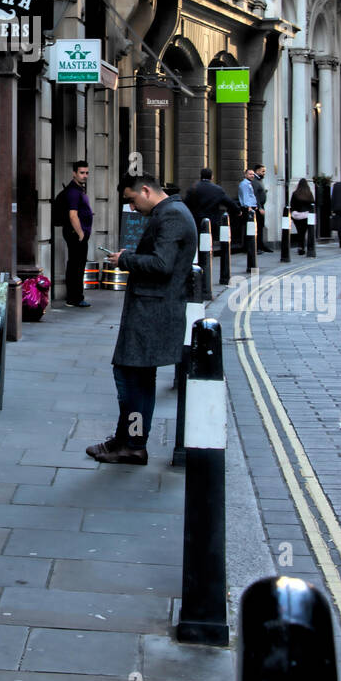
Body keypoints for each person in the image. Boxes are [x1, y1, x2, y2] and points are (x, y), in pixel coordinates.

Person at [86, 174, 197, 465]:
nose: (132, 208)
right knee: (139, 380)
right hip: (153, 311)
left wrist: (125, 260)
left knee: (130, 379)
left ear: (146, 191)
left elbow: (162, 264)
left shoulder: (171, 216)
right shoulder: (170, 212)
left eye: (133, 200)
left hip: (152, 314)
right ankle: (128, 440)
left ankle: (133, 443)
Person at [62, 160, 93, 309]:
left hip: (78, 234)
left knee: (76, 265)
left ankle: (74, 297)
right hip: (76, 234)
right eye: (82, 173)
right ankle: (75, 298)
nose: (85, 176)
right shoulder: (73, 191)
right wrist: (81, 234)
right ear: (74, 173)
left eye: (87, 173)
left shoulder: (79, 189)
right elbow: (72, 215)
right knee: (76, 266)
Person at [184, 167, 239, 237]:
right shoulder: (217, 190)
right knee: (208, 239)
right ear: (212, 177)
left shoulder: (193, 188)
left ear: (200, 176)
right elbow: (229, 202)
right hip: (211, 220)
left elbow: (186, 203)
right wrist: (238, 211)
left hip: (195, 220)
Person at [289, 178, 316, 253]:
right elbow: (312, 204)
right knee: (305, 231)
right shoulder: (309, 193)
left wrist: (292, 213)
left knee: (300, 232)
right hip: (306, 215)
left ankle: (300, 247)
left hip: (297, 216)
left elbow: (292, 205)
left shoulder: (295, 193)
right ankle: (306, 247)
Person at [252, 164, 273, 252]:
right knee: (258, 226)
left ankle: (261, 245)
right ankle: (258, 246)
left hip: (261, 206)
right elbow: (255, 195)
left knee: (261, 226)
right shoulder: (255, 181)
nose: (264, 173)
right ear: (257, 171)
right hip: (258, 207)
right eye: (263, 171)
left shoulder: (259, 180)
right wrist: (259, 207)